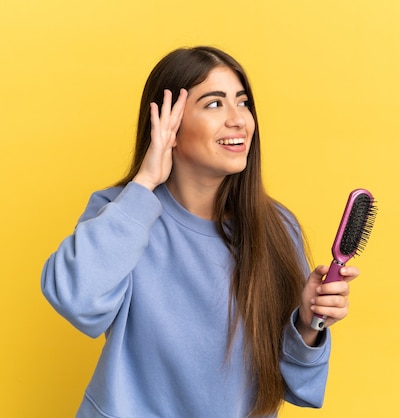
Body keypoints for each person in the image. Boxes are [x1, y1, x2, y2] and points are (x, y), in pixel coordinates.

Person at [41, 46, 360, 418]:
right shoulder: (122, 213)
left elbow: (296, 385)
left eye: (243, 102)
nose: (238, 119)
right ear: (167, 123)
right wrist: (145, 183)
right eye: (214, 104)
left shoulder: (276, 228)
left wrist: (307, 325)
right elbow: (75, 299)